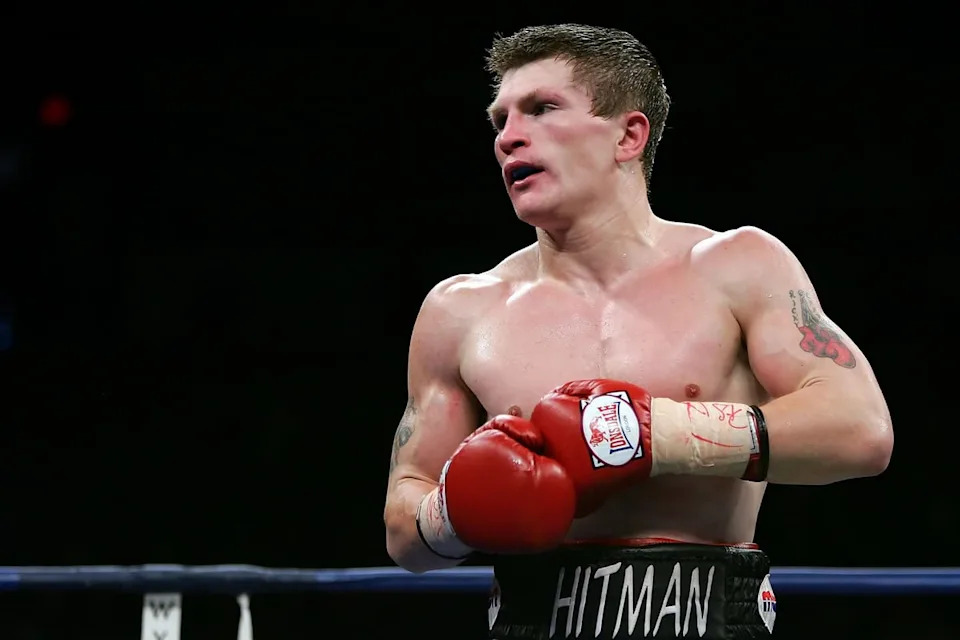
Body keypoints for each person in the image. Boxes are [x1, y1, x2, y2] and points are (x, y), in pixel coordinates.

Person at [383, 23, 893, 639]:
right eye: (500, 120)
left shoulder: (736, 266)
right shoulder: (460, 310)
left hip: (708, 619)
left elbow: (860, 431)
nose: (508, 136)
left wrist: (659, 435)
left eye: (542, 109)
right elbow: (403, 530)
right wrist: (451, 512)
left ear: (628, 136)